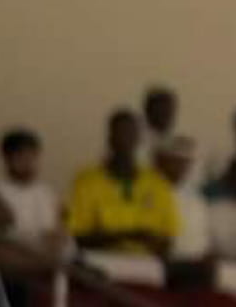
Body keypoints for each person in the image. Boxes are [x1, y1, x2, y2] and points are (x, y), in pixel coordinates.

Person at [66, 110, 177, 256]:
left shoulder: (158, 183)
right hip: (99, 261)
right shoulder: (86, 181)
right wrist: (130, 236)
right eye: (120, 133)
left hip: (147, 265)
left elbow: (169, 240)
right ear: (110, 138)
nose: (125, 140)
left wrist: (151, 242)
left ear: (139, 139)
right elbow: (78, 237)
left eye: (131, 133)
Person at [0, 128, 65, 255]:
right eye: (20, 157)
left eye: (32, 157)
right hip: (11, 254)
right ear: (6, 158)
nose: (27, 163)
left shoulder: (46, 192)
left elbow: (55, 228)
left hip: (46, 253)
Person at [154, 136, 211, 263]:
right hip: (158, 262)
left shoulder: (196, 198)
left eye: (185, 162)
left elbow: (203, 235)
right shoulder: (148, 190)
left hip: (193, 262)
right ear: (161, 161)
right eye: (175, 161)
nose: (180, 167)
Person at [143, 86, 183, 156]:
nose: (167, 114)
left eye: (169, 110)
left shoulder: (168, 140)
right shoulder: (139, 139)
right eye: (162, 110)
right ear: (149, 111)